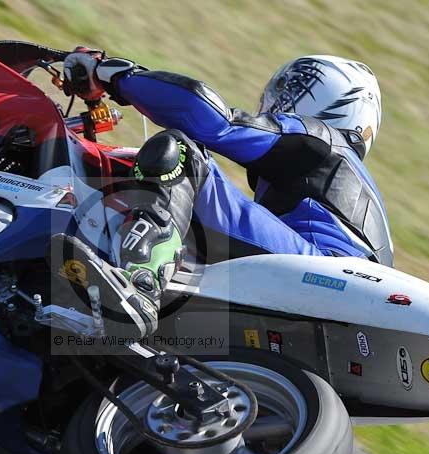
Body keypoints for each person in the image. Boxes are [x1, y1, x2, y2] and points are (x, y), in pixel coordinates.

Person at [48, 48, 393, 339]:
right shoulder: (339, 186)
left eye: (290, 89)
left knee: (182, 152)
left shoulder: (321, 141)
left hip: (324, 272)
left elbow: (215, 123)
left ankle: (140, 282)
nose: (272, 101)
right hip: (348, 313)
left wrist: (118, 76)